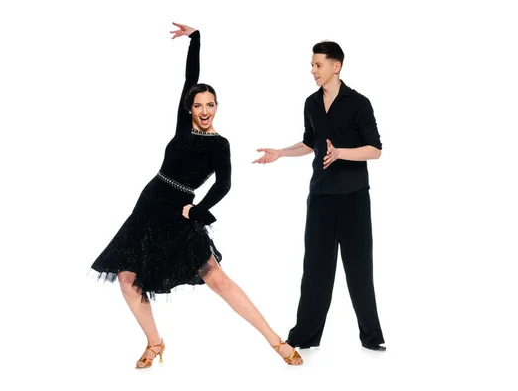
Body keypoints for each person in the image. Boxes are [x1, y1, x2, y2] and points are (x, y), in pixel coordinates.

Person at [89, 22, 303, 368]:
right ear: (190, 108)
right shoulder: (182, 125)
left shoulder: (220, 144)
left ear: (217, 106)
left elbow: (224, 184)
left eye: (211, 105)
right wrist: (196, 39)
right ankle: (155, 343)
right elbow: (190, 79)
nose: (204, 110)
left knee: (218, 280)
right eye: (198, 105)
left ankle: (276, 341)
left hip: (180, 211)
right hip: (149, 205)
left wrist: (197, 211)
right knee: (128, 279)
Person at [253, 40, 386, 351]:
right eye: (312, 65)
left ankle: (371, 337)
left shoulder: (359, 103)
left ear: (335, 66)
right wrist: (281, 153)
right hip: (321, 197)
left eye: (318, 65)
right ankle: (304, 336)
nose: (312, 70)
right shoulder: (311, 103)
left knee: (359, 269)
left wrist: (341, 152)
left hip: (353, 198)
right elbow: (310, 143)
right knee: (315, 268)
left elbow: (375, 150)